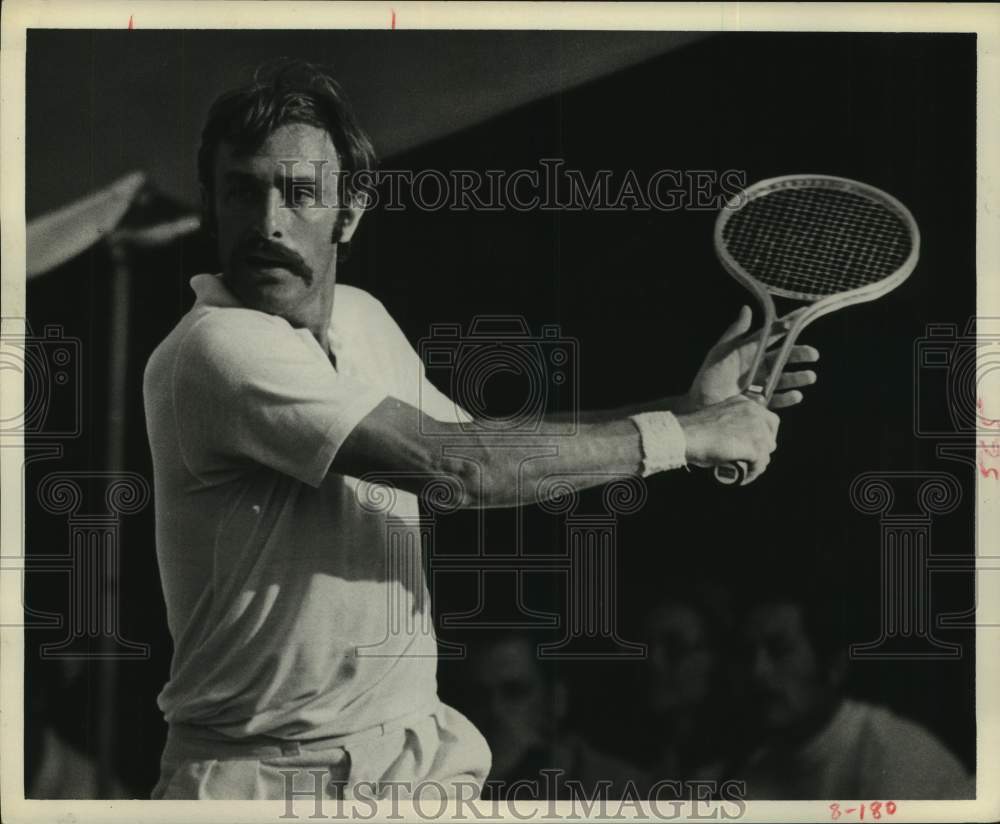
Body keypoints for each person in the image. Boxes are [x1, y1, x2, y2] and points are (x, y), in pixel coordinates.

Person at [142, 59, 818, 801]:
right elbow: (458, 471)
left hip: (405, 765)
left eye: (300, 193)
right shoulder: (217, 348)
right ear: (211, 204)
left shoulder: (360, 319)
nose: (268, 222)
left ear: (351, 210)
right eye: (242, 190)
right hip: (262, 784)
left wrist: (686, 409)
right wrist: (684, 438)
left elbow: (476, 439)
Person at [731, 587, 975, 799]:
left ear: (834, 666)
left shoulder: (898, 757)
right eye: (746, 654)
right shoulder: (755, 774)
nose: (757, 672)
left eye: (779, 650)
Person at [458, 630, 648, 800]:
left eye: (515, 692)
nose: (495, 711)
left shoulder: (618, 790)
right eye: (479, 697)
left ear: (555, 701)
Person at [640, 582, 738, 792]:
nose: (653, 662)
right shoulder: (642, 765)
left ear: (715, 659)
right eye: (647, 646)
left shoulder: (745, 772)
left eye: (675, 648)